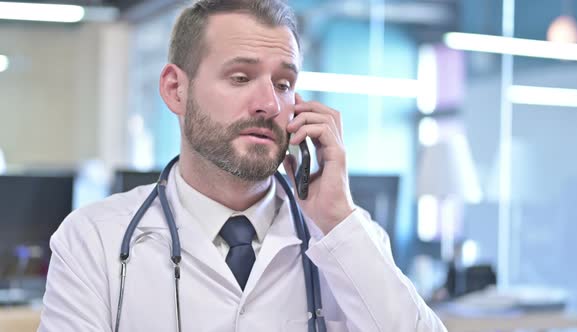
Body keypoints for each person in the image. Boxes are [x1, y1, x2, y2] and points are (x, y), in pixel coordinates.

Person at [38, 0, 447, 331]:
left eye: (283, 84)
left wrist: (338, 219)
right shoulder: (94, 241)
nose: (269, 104)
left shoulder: (349, 239)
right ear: (176, 90)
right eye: (239, 77)